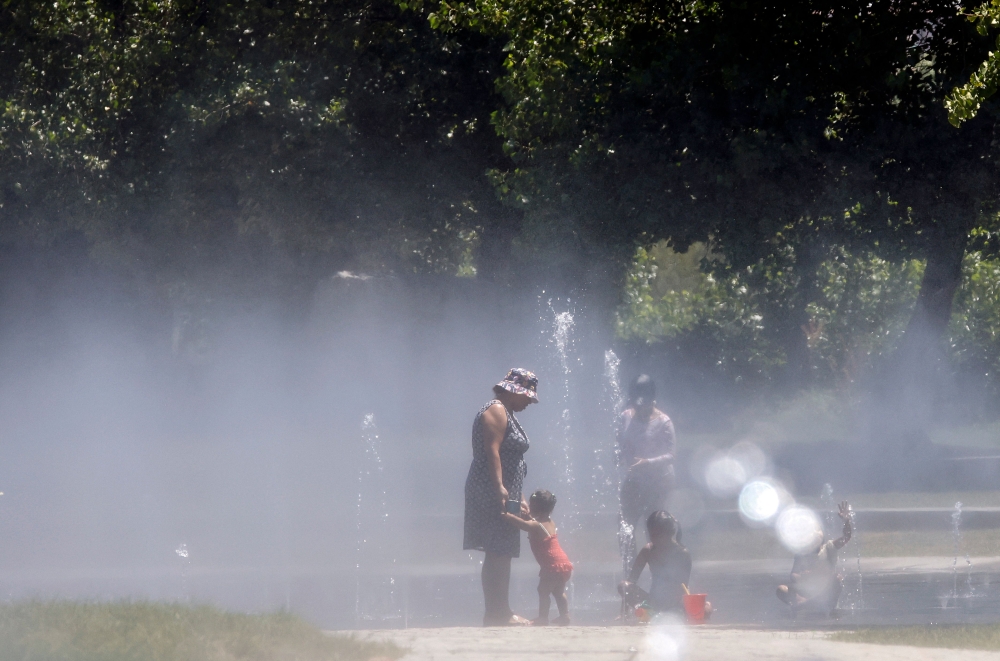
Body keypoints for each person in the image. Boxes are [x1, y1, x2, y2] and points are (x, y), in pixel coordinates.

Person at [463, 368, 539, 626]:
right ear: (512, 391)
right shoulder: (495, 410)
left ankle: (498, 611)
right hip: (490, 489)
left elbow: (513, 460)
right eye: (527, 396)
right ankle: (499, 612)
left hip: (505, 489)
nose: (530, 401)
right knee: (497, 550)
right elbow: (493, 452)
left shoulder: (508, 412)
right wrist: (500, 488)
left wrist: (521, 496)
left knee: (501, 551)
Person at [618, 375, 676, 551]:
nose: (637, 406)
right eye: (635, 402)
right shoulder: (625, 417)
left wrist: (647, 462)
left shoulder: (663, 422)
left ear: (651, 400)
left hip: (658, 481)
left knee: (654, 527)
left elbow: (671, 455)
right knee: (625, 526)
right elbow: (619, 442)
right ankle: (628, 571)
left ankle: (658, 569)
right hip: (634, 479)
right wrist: (618, 453)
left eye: (641, 402)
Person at [502, 489, 574, 626]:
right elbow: (535, 523)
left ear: (535, 508)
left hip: (551, 564)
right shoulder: (549, 522)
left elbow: (523, 525)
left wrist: (507, 515)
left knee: (543, 591)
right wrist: (529, 516)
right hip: (563, 563)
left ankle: (542, 618)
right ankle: (565, 616)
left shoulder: (535, 525)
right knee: (559, 591)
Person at [618, 511, 707, 617]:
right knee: (624, 586)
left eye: (659, 536)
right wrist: (624, 613)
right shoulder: (648, 551)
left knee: (707, 607)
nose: (656, 540)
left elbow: (683, 586)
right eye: (652, 535)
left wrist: (677, 607)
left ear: (670, 533)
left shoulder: (682, 553)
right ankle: (650, 612)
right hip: (653, 603)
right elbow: (631, 581)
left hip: (676, 604)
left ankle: (662, 613)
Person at [776, 501, 853, 617]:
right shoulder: (802, 554)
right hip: (807, 591)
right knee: (781, 589)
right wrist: (804, 576)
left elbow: (846, 537)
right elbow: (793, 575)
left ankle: (805, 605)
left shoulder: (829, 547)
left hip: (826, 594)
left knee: (837, 579)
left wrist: (846, 521)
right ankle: (808, 603)